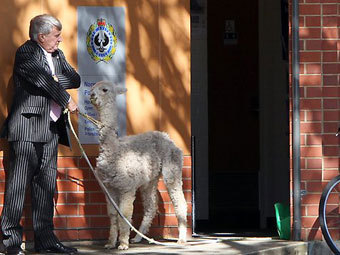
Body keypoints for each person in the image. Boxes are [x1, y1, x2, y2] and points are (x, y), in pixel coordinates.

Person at [0, 14, 80, 255]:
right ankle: (9, 241)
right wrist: (64, 96)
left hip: (50, 128)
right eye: (56, 36)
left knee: (46, 185)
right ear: (41, 36)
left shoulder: (57, 55)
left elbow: (74, 78)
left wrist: (55, 80)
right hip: (26, 128)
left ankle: (45, 240)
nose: (60, 40)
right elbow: (41, 79)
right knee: (18, 185)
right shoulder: (26, 53)